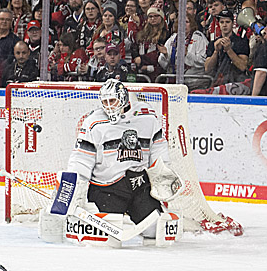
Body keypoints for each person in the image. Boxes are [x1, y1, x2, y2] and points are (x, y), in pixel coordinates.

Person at [53, 79, 182, 242]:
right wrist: (75, 192)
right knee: (104, 239)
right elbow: (81, 159)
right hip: (107, 188)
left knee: (156, 231)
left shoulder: (147, 117)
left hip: (138, 186)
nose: (109, 106)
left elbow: (158, 148)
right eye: (105, 102)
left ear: (123, 99)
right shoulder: (94, 122)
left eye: (112, 101)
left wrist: (162, 173)